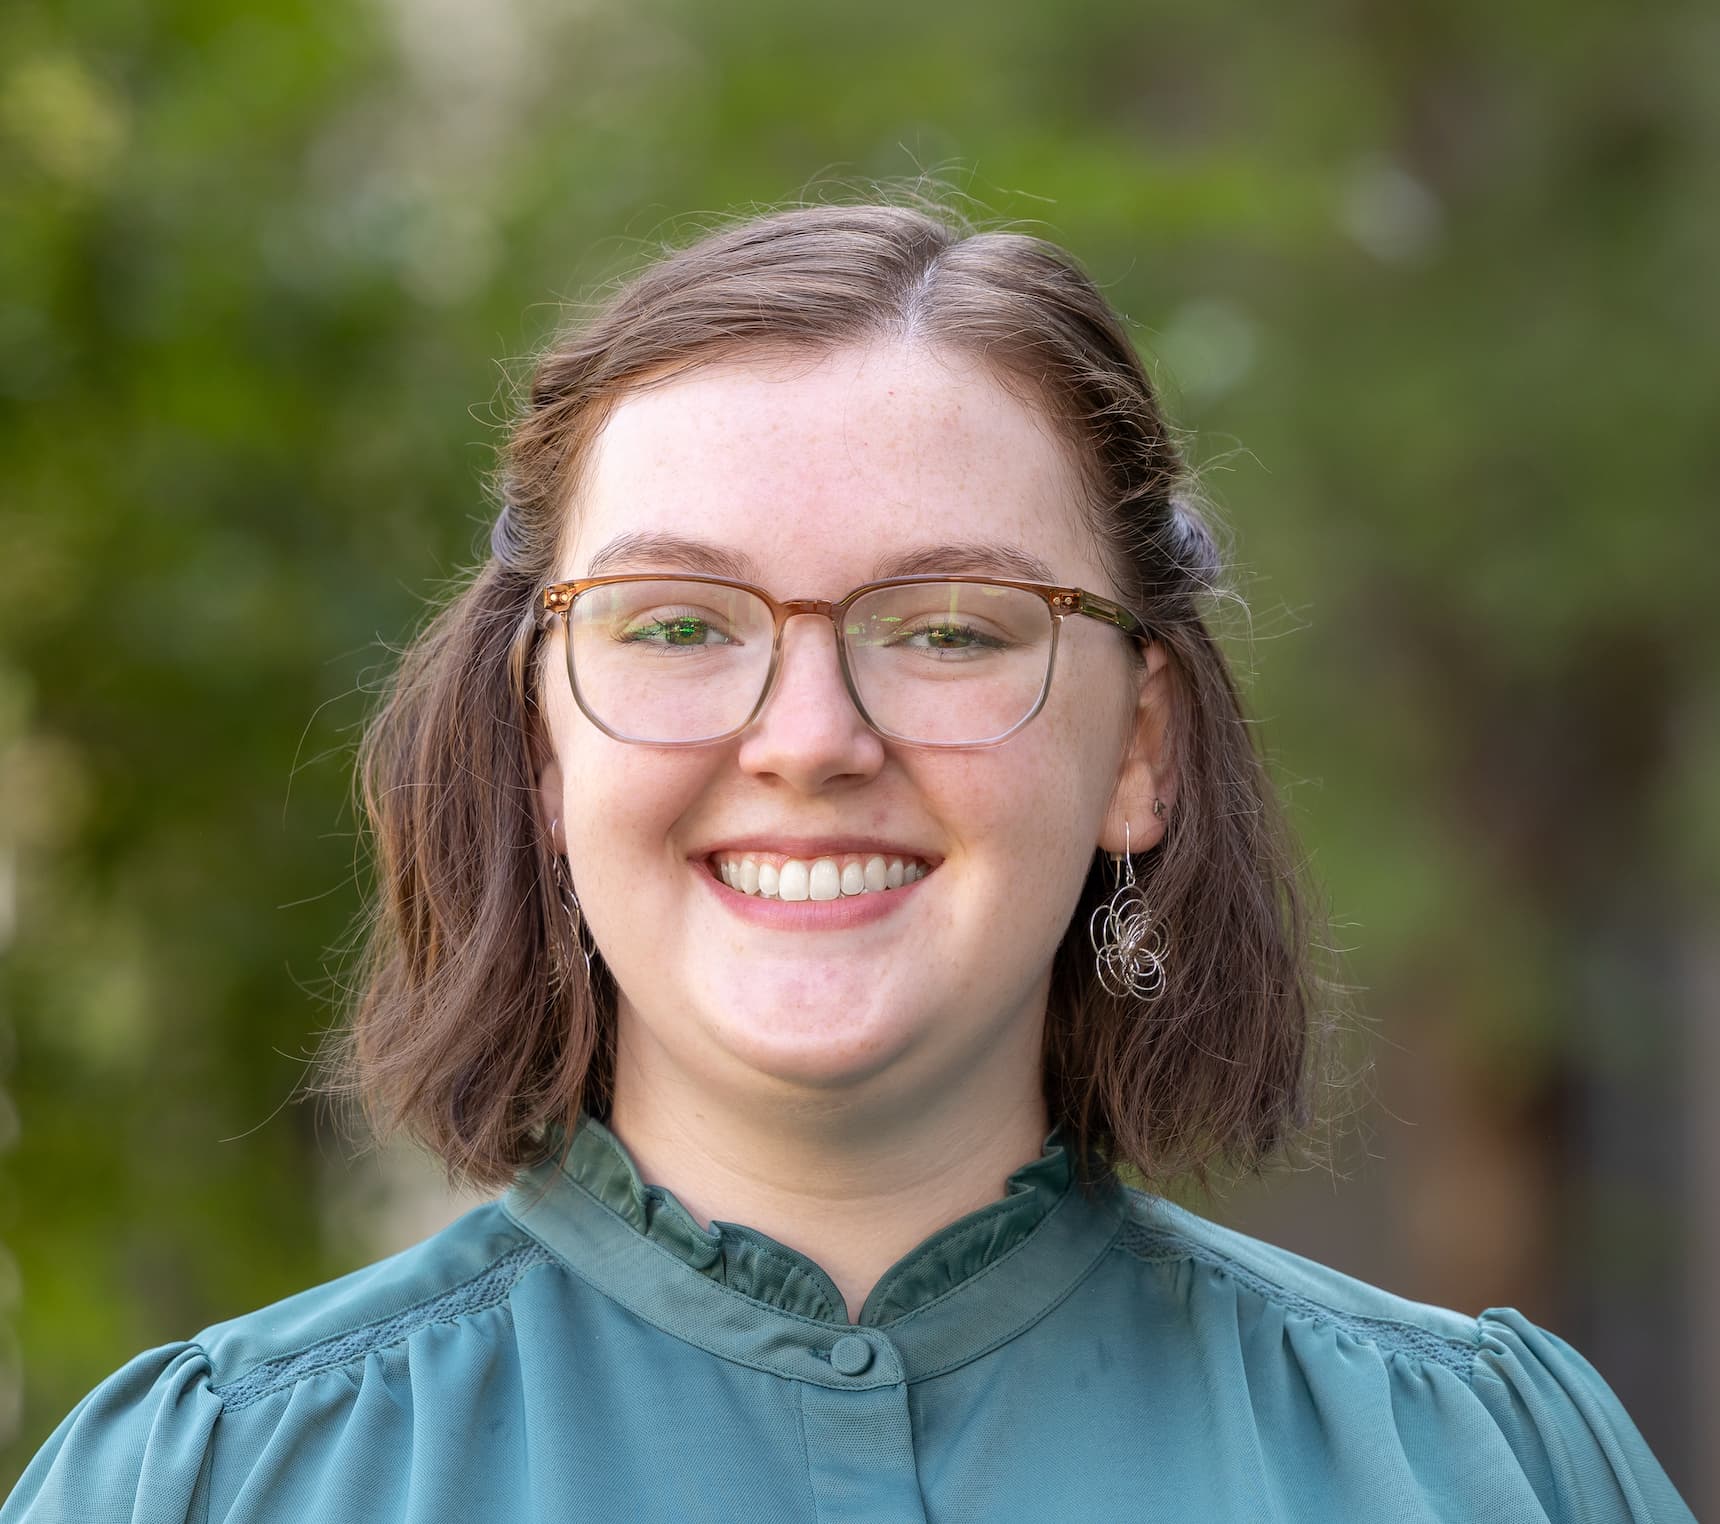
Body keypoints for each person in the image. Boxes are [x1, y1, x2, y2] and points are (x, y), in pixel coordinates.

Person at [3, 199, 1694, 1524]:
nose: (809, 737)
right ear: (538, 748)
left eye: (950, 626)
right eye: (677, 622)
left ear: (1139, 749)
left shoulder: (1479, 1477)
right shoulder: (210, 1490)